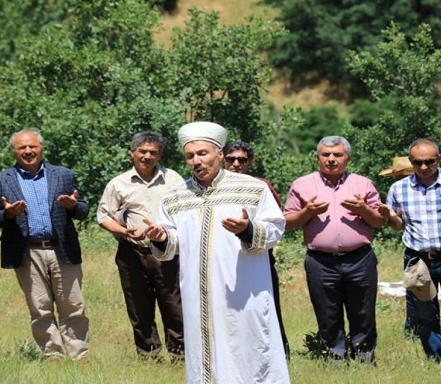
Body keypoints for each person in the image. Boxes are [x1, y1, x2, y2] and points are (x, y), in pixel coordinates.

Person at [143, 122, 289, 383]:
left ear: (219, 154)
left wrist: (247, 229)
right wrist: (162, 237)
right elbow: (171, 243)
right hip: (197, 295)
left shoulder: (252, 189)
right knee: (203, 352)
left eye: (202, 153)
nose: (196, 161)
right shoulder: (175, 196)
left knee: (250, 349)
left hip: (244, 291)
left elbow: (275, 229)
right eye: (190, 156)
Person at [0, 129, 89, 360]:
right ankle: (52, 355)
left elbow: (83, 210)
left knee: (73, 305)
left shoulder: (63, 175)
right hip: (27, 252)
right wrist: (8, 215)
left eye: (32, 146)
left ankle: (80, 355)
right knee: (40, 307)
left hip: (61, 248)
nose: (28, 151)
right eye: (22, 147)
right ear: (13, 151)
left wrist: (71, 206)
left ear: (41, 148)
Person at [379, 138, 441, 367]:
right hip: (418, 260)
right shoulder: (399, 188)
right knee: (425, 317)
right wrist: (391, 217)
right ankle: (437, 365)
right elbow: (397, 225)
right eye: (417, 162)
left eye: (429, 161)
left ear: (439, 159)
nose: (424, 167)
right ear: (411, 162)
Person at [284, 136, 383, 362]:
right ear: (317, 157)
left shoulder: (363, 184)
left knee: (363, 311)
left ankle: (364, 356)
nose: (331, 159)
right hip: (320, 261)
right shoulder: (302, 184)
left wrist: (363, 210)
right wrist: (308, 212)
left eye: (337, 155)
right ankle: (334, 357)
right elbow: (288, 222)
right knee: (327, 312)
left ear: (347, 158)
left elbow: (378, 222)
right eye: (325, 155)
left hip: (360, 258)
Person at [97, 131, 184, 359]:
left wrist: (165, 233)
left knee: (174, 306)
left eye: (153, 152)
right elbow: (103, 216)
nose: (147, 156)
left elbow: (186, 214)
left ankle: (180, 355)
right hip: (132, 253)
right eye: (142, 151)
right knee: (139, 307)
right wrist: (124, 231)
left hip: (168, 251)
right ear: (132, 153)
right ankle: (148, 355)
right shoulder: (118, 183)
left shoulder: (173, 180)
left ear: (160, 155)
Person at [222, 140, 290, 358]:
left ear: (249, 162)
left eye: (242, 159)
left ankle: (277, 354)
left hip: (257, 256)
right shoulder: (211, 188)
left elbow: (274, 222)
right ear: (222, 159)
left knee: (264, 309)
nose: (236, 164)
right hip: (223, 259)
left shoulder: (260, 186)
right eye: (231, 159)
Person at [378, 156, 426, 338]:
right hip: (414, 250)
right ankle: (413, 328)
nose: (394, 180)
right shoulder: (400, 191)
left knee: (417, 292)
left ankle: (416, 328)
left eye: (397, 176)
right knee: (414, 290)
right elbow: (399, 225)